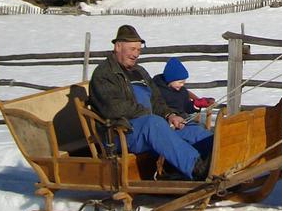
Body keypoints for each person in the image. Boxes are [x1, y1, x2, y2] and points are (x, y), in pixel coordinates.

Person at [89, 24, 213, 181]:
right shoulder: (104, 74)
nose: (136, 54)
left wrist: (169, 115)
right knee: (153, 124)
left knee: (189, 128)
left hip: (148, 127)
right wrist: (153, 117)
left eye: (139, 50)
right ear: (118, 46)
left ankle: (218, 154)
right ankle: (196, 168)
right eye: (132, 49)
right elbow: (114, 108)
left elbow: (156, 100)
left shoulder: (139, 72)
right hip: (120, 132)